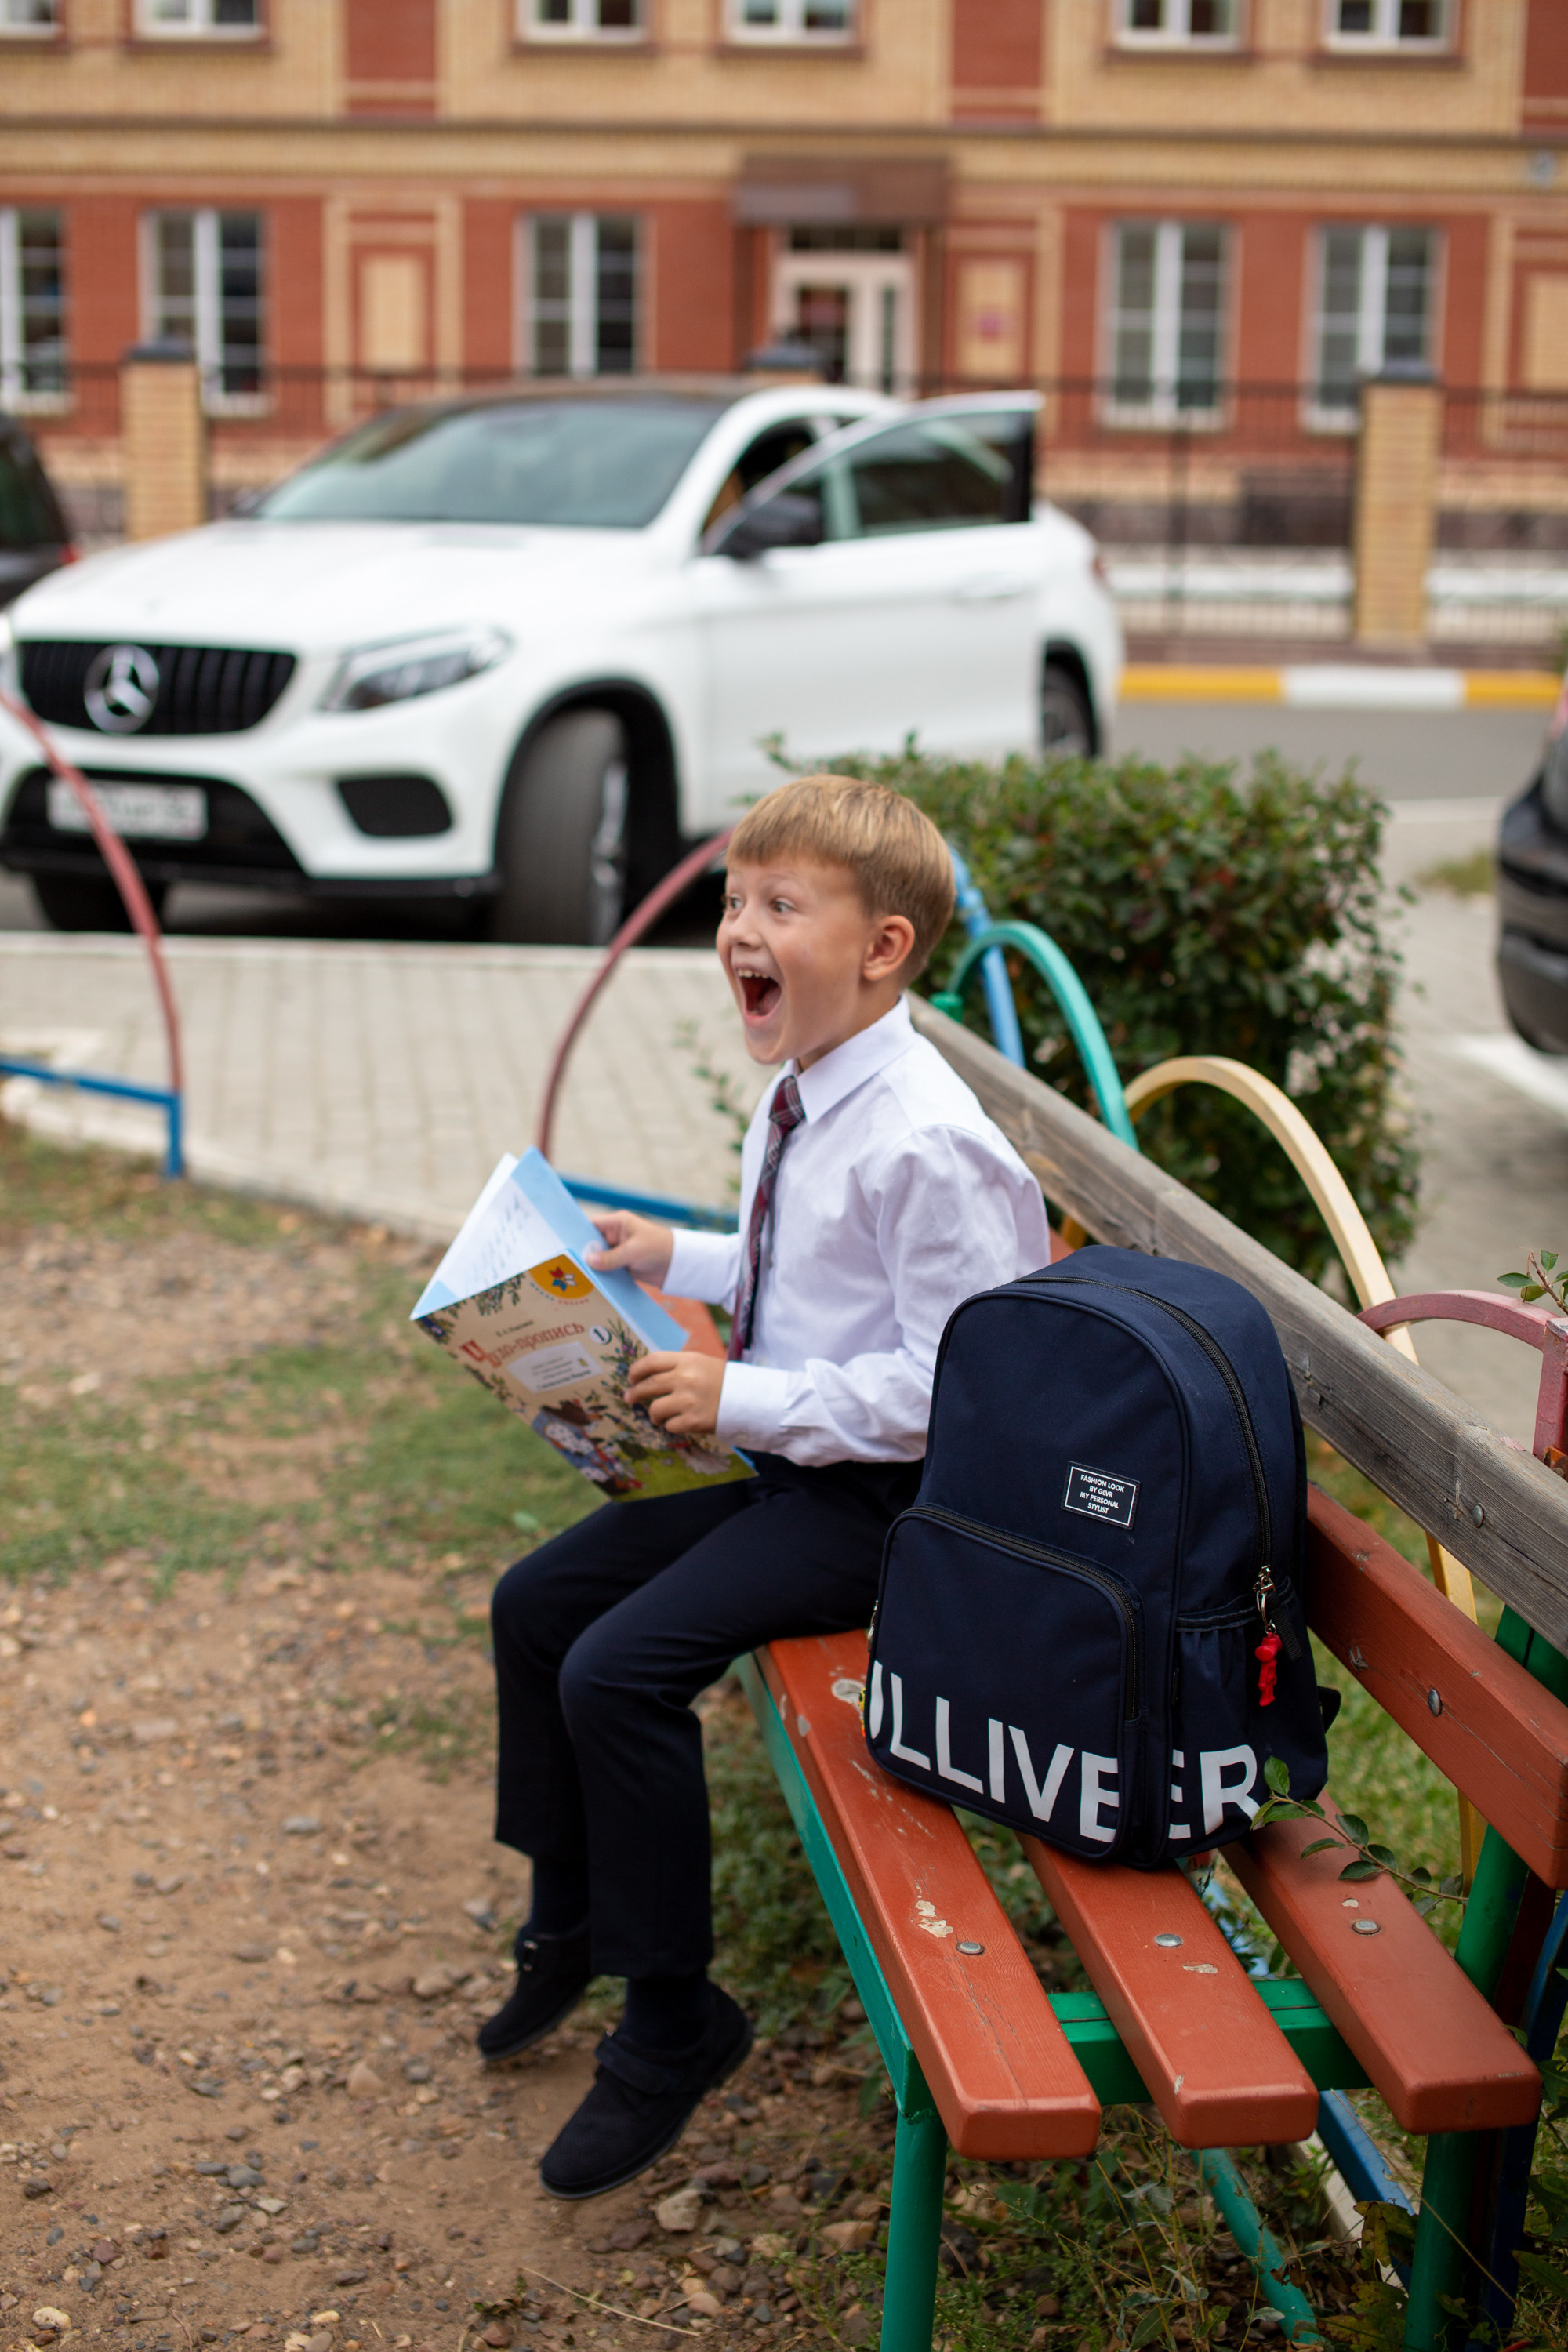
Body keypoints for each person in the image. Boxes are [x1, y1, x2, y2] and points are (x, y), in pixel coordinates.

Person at [483, 772, 1051, 2200]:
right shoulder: (809, 1083)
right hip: (792, 1458)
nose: (741, 928)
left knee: (618, 1673)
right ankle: (568, 1920)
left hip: (894, 1510)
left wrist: (736, 1398)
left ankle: (672, 2022)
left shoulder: (928, 1140)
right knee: (536, 1605)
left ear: (884, 948)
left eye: (782, 906)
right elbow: (804, 1271)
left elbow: (959, 1391)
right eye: (735, 901)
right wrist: (670, 1257)